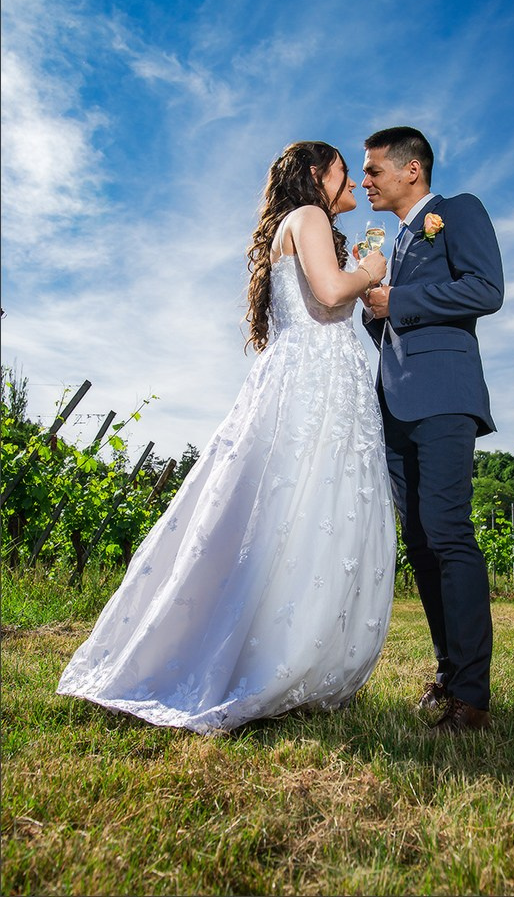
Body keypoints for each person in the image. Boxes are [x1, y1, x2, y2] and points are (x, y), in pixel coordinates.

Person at [57, 141, 396, 734]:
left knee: (298, 513)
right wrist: (369, 272)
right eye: (346, 170)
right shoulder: (310, 216)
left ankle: (287, 655)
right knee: (301, 509)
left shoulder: (299, 223)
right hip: (313, 387)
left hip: (319, 382)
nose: (355, 181)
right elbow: (330, 292)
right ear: (318, 175)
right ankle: (273, 660)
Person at [361, 126, 504, 734]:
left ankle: (472, 697)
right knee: (419, 544)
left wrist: (401, 302)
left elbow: (485, 289)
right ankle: (447, 673)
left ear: (410, 170)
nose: (366, 181)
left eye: (373, 171)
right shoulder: (391, 242)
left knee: (448, 534)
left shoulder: (457, 212)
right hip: (395, 404)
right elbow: (390, 320)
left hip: (445, 398)